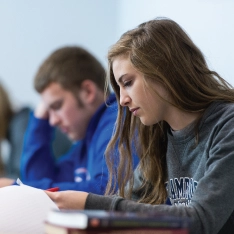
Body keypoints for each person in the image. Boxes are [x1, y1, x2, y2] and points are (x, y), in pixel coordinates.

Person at [45, 18, 234, 234]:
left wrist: (89, 205)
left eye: (128, 83)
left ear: (163, 72)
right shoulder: (159, 137)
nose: (123, 100)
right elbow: (129, 202)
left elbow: (199, 221)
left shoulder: (228, 125)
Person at [0, 46, 125, 194]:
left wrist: (18, 188)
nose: (52, 121)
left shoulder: (117, 121)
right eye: (48, 111)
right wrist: (40, 120)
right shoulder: (84, 144)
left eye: (57, 106)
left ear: (88, 92)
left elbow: (107, 191)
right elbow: (40, 181)